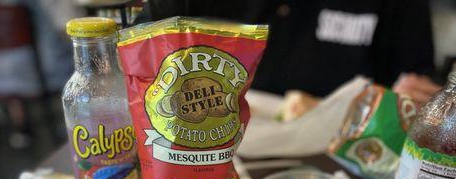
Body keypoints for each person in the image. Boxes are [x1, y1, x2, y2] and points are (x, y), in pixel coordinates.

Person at [135, 0, 441, 105]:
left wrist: (410, 99)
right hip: (205, 148)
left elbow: (419, 85)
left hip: (339, 160)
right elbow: (137, 53)